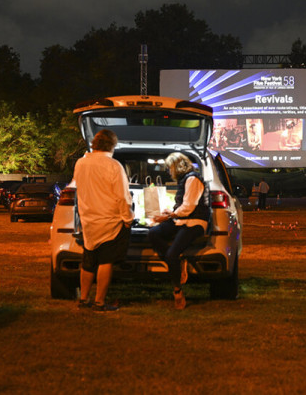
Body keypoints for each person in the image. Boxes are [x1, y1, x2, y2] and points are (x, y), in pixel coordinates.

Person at [74, 129, 134, 312]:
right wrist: (128, 218)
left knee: (88, 260)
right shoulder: (114, 165)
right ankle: (99, 301)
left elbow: (79, 188)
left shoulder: (80, 163)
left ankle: (84, 299)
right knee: (105, 261)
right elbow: (122, 196)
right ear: (112, 145)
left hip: (88, 220)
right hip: (110, 221)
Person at [148, 152, 209, 310]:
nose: (169, 172)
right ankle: (177, 263)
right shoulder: (185, 180)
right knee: (153, 233)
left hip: (195, 222)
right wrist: (170, 213)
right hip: (181, 219)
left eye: (170, 168)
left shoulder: (193, 179)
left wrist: (171, 215)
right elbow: (183, 206)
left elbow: (189, 206)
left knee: (171, 254)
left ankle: (177, 291)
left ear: (177, 166)